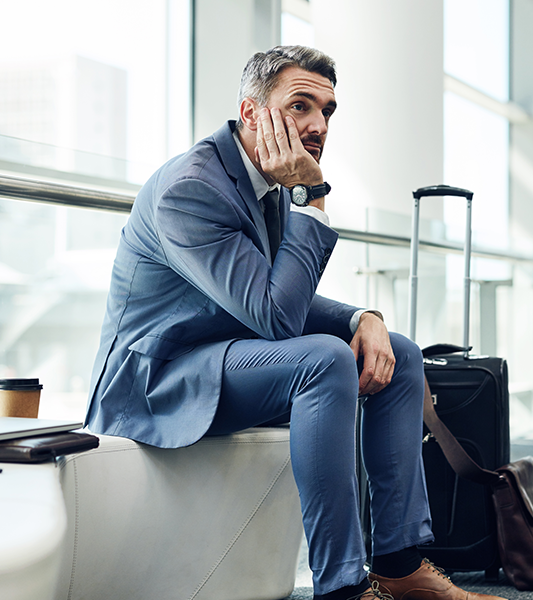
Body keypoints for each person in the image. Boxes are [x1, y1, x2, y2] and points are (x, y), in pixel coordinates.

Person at [84, 46, 506, 600]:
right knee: (323, 360)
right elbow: (276, 317)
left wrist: (363, 317)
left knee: (397, 353)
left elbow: (279, 294)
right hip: (156, 382)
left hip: (228, 355)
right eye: (300, 106)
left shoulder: (266, 179)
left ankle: (401, 567)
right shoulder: (192, 189)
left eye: (327, 111)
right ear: (251, 112)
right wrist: (312, 197)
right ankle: (342, 588)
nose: (316, 126)